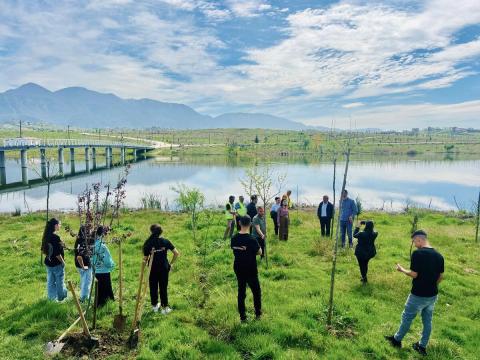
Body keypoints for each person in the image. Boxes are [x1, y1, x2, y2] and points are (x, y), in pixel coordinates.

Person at [385, 230, 444, 356]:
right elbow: (440, 277)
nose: (414, 244)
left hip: (417, 295)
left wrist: (401, 270)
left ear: (419, 239)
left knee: (407, 317)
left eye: (414, 241)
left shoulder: (418, 254)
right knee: (427, 321)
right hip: (433, 295)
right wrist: (432, 285)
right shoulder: (439, 256)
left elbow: (414, 274)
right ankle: (421, 346)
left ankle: (396, 340)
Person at [231, 216, 262, 322]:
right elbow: (259, 252)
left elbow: (235, 250)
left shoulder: (234, 238)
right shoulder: (252, 239)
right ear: (250, 224)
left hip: (239, 268)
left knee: (241, 292)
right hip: (251, 269)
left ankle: (242, 317)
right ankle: (258, 314)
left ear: (239, 223)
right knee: (256, 292)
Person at [143, 224, 180, 314]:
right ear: (161, 232)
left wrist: (144, 265)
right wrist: (171, 264)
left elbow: (145, 259)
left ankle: (155, 306)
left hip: (152, 268)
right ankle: (164, 308)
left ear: (151, 231)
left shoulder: (148, 243)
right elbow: (176, 253)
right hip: (164, 268)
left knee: (153, 286)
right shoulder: (165, 241)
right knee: (163, 287)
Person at [41, 218, 67, 301]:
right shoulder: (56, 237)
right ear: (55, 225)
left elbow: (43, 251)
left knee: (50, 282)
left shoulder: (46, 236)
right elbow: (57, 254)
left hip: (48, 263)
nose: (60, 226)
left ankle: (52, 299)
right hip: (57, 264)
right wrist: (63, 262)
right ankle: (61, 298)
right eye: (59, 224)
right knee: (60, 282)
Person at [91, 226, 115, 307]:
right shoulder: (102, 246)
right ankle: (105, 303)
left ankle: (98, 303)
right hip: (104, 270)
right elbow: (107, 260)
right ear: (102, 234)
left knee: (99, 288)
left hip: (96, 270)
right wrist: (111, 265)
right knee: (106, 287)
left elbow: (91, 259)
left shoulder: (92, 245)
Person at [74, 225, 93, 302]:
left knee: (84, 281)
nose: (90, 232)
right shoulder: (82, 242)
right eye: (89, 230)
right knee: (86, 282)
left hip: (79, 265)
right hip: (84, 265)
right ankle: (84, 299)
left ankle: (84, 296)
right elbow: (79, 256)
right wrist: (83, 266)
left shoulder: (79, 240)